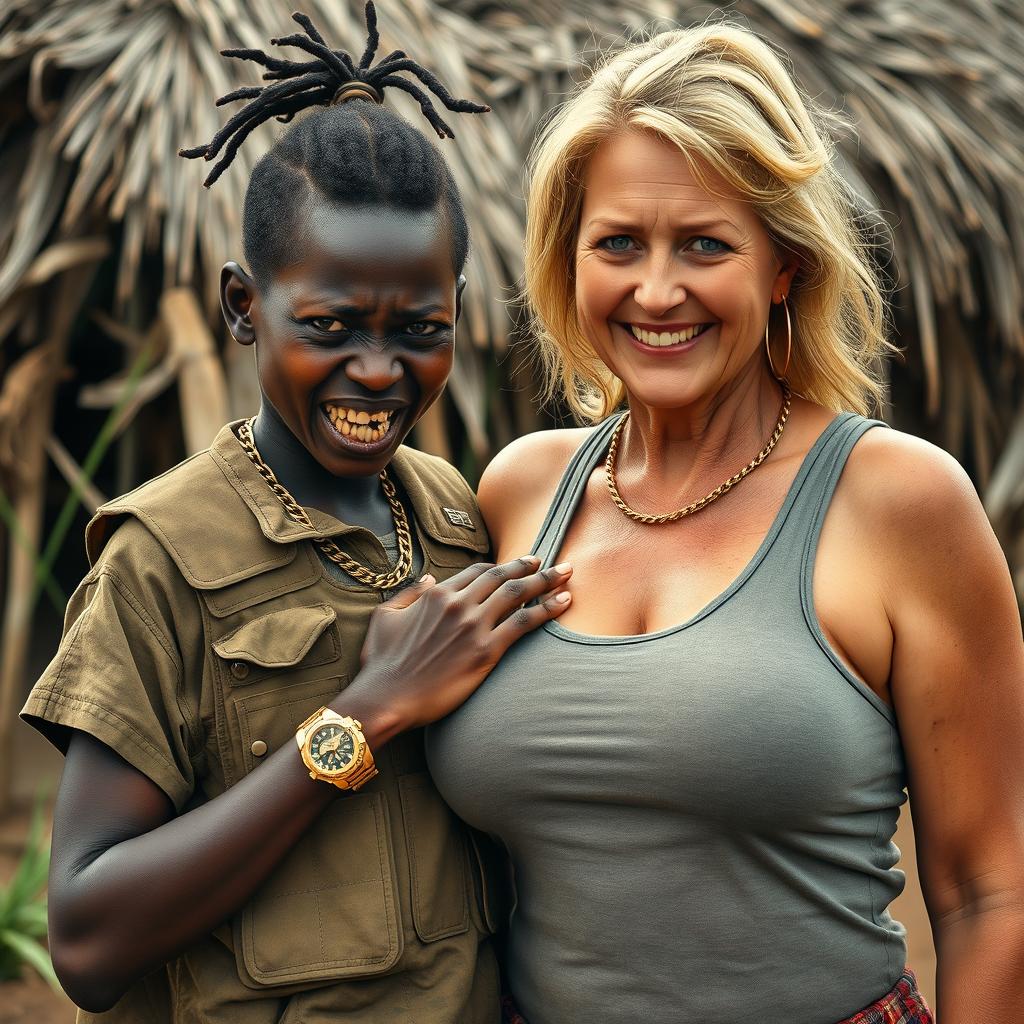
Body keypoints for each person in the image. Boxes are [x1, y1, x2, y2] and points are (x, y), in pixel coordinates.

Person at [426, 21, 1024, 1024]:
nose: (657, 291)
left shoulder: (897, 502)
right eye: (618, 243)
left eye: (705, 244)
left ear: (783, 264)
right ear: (568, 259)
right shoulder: (520, 494)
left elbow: (988, 893)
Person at [20, 6, 573, 1021]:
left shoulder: (464, 518)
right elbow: (90, 940)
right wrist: (364, 716)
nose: (376, 370)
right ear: (244, 306)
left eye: (420, 329)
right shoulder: (161, 561)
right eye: (328, 326)